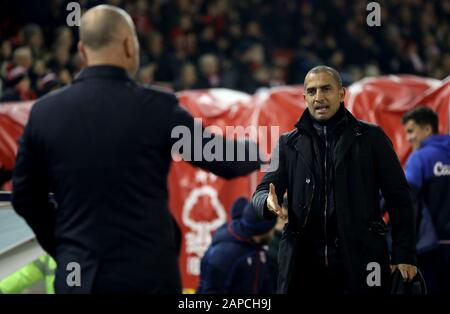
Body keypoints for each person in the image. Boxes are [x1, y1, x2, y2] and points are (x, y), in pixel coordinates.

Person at [12, 5, 262, 294]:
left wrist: (67, 246)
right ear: (130, 45)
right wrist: (259, 149)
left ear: (82, 50)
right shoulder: (157, 108)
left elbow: (25, 197)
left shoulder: (44, 113)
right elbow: (224, 160)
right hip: (146, 277)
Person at [252, 65, 417, 294]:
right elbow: (261, 193)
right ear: (304, 98)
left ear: (341, 94)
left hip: (362, 261)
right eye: (311, 91)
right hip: (304, 265)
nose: (318, 97)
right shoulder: (287, 144)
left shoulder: (372, 138)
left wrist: (404, 255)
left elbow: (399, 199)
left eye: (325, 89)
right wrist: (268, 204)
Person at [402, 107, 450, 294]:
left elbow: (407, 200)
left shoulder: (420, 158)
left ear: (428, 129)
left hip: (431, 247)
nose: (408, 138)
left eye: (411, 131)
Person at [197, 198, 277, 294]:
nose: (274, 232)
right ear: (263, 230)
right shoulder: (224, 254)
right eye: (272, 228)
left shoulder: (256, 248)